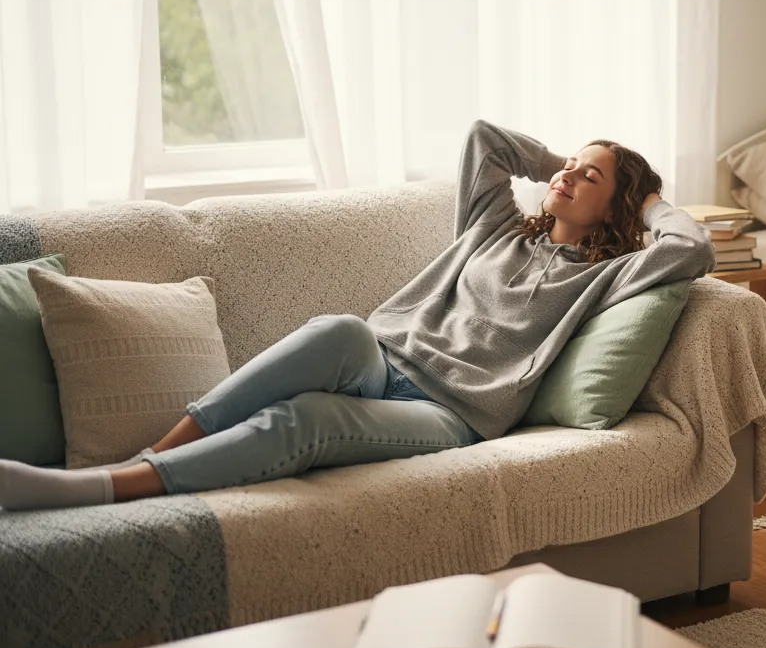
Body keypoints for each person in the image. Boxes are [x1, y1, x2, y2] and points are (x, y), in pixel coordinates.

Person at [0, 120, 715, 512]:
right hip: (383, 360)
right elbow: (483, 139)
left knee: (307, 420)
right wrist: (573, 162)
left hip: (451, 414)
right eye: (568, 167)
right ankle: (156, 451)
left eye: (590, 179)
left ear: (616, 208)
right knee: (339, 328)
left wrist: (645, 196)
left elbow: (691, 247)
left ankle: (106, 488)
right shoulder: (496, 226)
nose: (566, 176)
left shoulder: (610, 272)